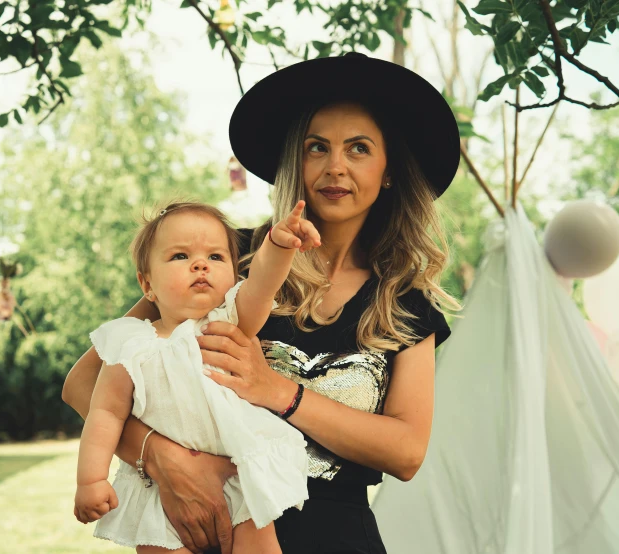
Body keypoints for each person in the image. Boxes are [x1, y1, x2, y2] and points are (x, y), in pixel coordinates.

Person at [63, 52, 462, 554]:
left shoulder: (404, 302)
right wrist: (164, 459)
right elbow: (84, 384)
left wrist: (276, 390)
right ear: (297, 161)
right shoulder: (226, 259)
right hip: (212, 524)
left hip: (340, 537)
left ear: (388, 171)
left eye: (358, 148)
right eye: (317, 148)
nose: (335, 166)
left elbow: (406, 452)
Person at [72, 200, 320, 553]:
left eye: (216, 257)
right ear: (147, 285)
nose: (201, 264)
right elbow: (106, 413)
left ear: (233, 276)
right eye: (180, 256)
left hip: (239, 471)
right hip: (161, 490)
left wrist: (278, 246)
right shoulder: (130, 344)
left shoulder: (228, 322)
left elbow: (262, 285)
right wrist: (91, 480)